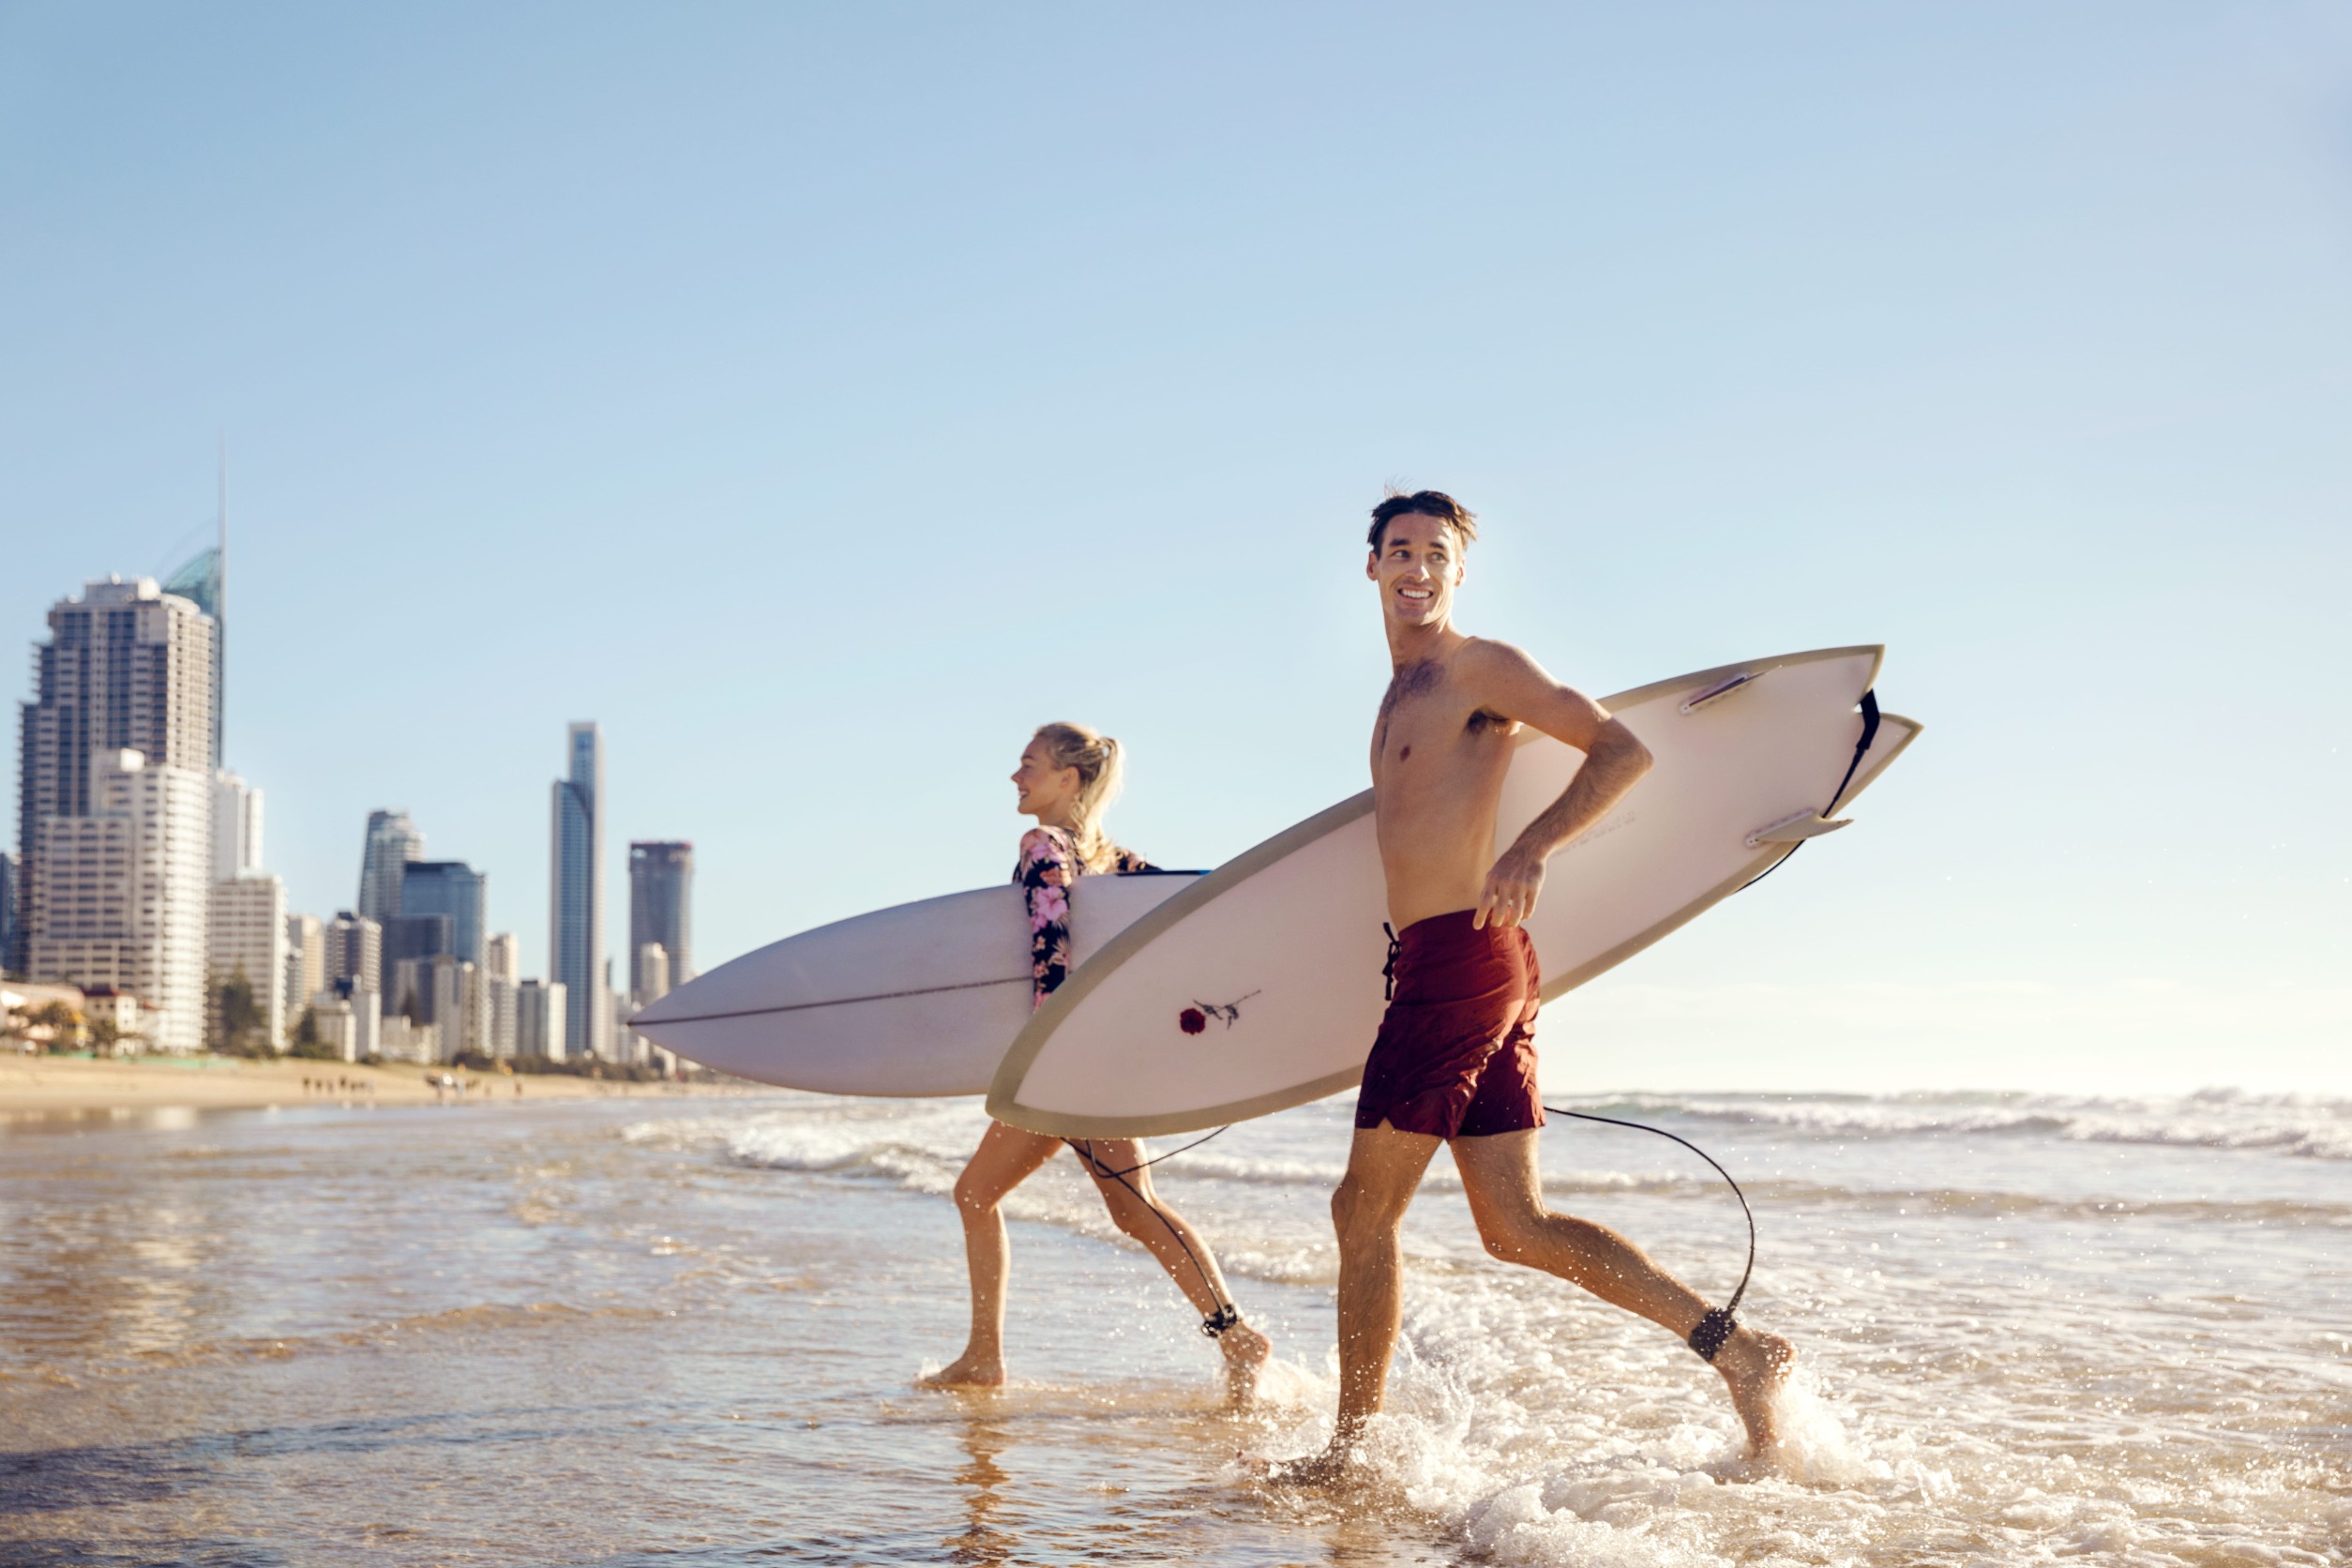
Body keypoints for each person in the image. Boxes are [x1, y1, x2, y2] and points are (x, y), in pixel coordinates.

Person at [1279, 491, 1793, 1479]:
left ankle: (1350, 1451)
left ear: (1458, 572)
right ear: (1372, 567)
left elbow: (1622, 748)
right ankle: (1741, 1353)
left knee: (1361, 1211)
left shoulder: (1481, 668)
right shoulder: (1397, 693)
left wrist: (1533, 844)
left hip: (1462, 960)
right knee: (1515, 1226)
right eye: (1399, 551)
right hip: (1466, 963)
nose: (1416, 568)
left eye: (1436, 553)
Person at [921, 721, 1273, 1397]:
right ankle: (1233, 1335)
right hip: (1100, 1052)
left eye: (1028, 764)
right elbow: (1173, 918)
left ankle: (986, 1359)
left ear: (1068, 778)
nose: (1016, 777)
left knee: (995, 1195)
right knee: (1128, 1207)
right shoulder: (1114, 860)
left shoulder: (1042, 846)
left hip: (1068, 1058)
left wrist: (1044, 1053)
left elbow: (1050, 949)